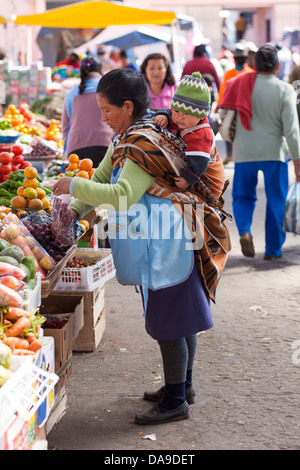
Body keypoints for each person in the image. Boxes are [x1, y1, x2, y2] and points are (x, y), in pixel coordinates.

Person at [52, 68, 231, 425]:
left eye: (107, 110)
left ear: (128, 107)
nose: (102, 117)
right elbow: (102, 178)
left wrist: (73, 185)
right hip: (160, 238)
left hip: (169, 243)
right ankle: (182, 386)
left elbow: (122, 195)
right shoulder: (127, 138)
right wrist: (73, 211)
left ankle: (176, 400)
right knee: (182, 319)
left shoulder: (143, 142)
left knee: (170, 323)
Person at [219, 44, 300, 260]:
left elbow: (224, 115)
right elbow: (291, 130)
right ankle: (273, 250)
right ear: (277, 66)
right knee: (276, 199)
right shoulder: (284, 90)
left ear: (255, 64)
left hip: (244, 151)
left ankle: (245, 231)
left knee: (243, 197)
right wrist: (298, 163)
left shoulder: (238, 83)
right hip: (275, 153)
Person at [153, 72, 225, 205]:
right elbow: (168, 112)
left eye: (186, 113)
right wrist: (164, 115)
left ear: (200, 116)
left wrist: (187, 179)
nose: (180, 117)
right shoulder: (182, 120)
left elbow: (199, 163)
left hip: (209, 182)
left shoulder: (201, 134)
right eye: (177, 111)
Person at [61, 54, 113, 167]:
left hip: (75, 151)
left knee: (81, 182)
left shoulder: (71, 93)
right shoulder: (110, 89)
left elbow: (65, 128)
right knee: (104, 184)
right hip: (106, 146)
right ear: (100, 71)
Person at [217, 43, 254, 164]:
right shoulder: (250, 72)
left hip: (233, 108)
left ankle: (232, 154)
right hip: (244, 107)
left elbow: (223, 91)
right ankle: (233, 154)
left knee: (229, 128)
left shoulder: (231, 73)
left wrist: (219, 106)